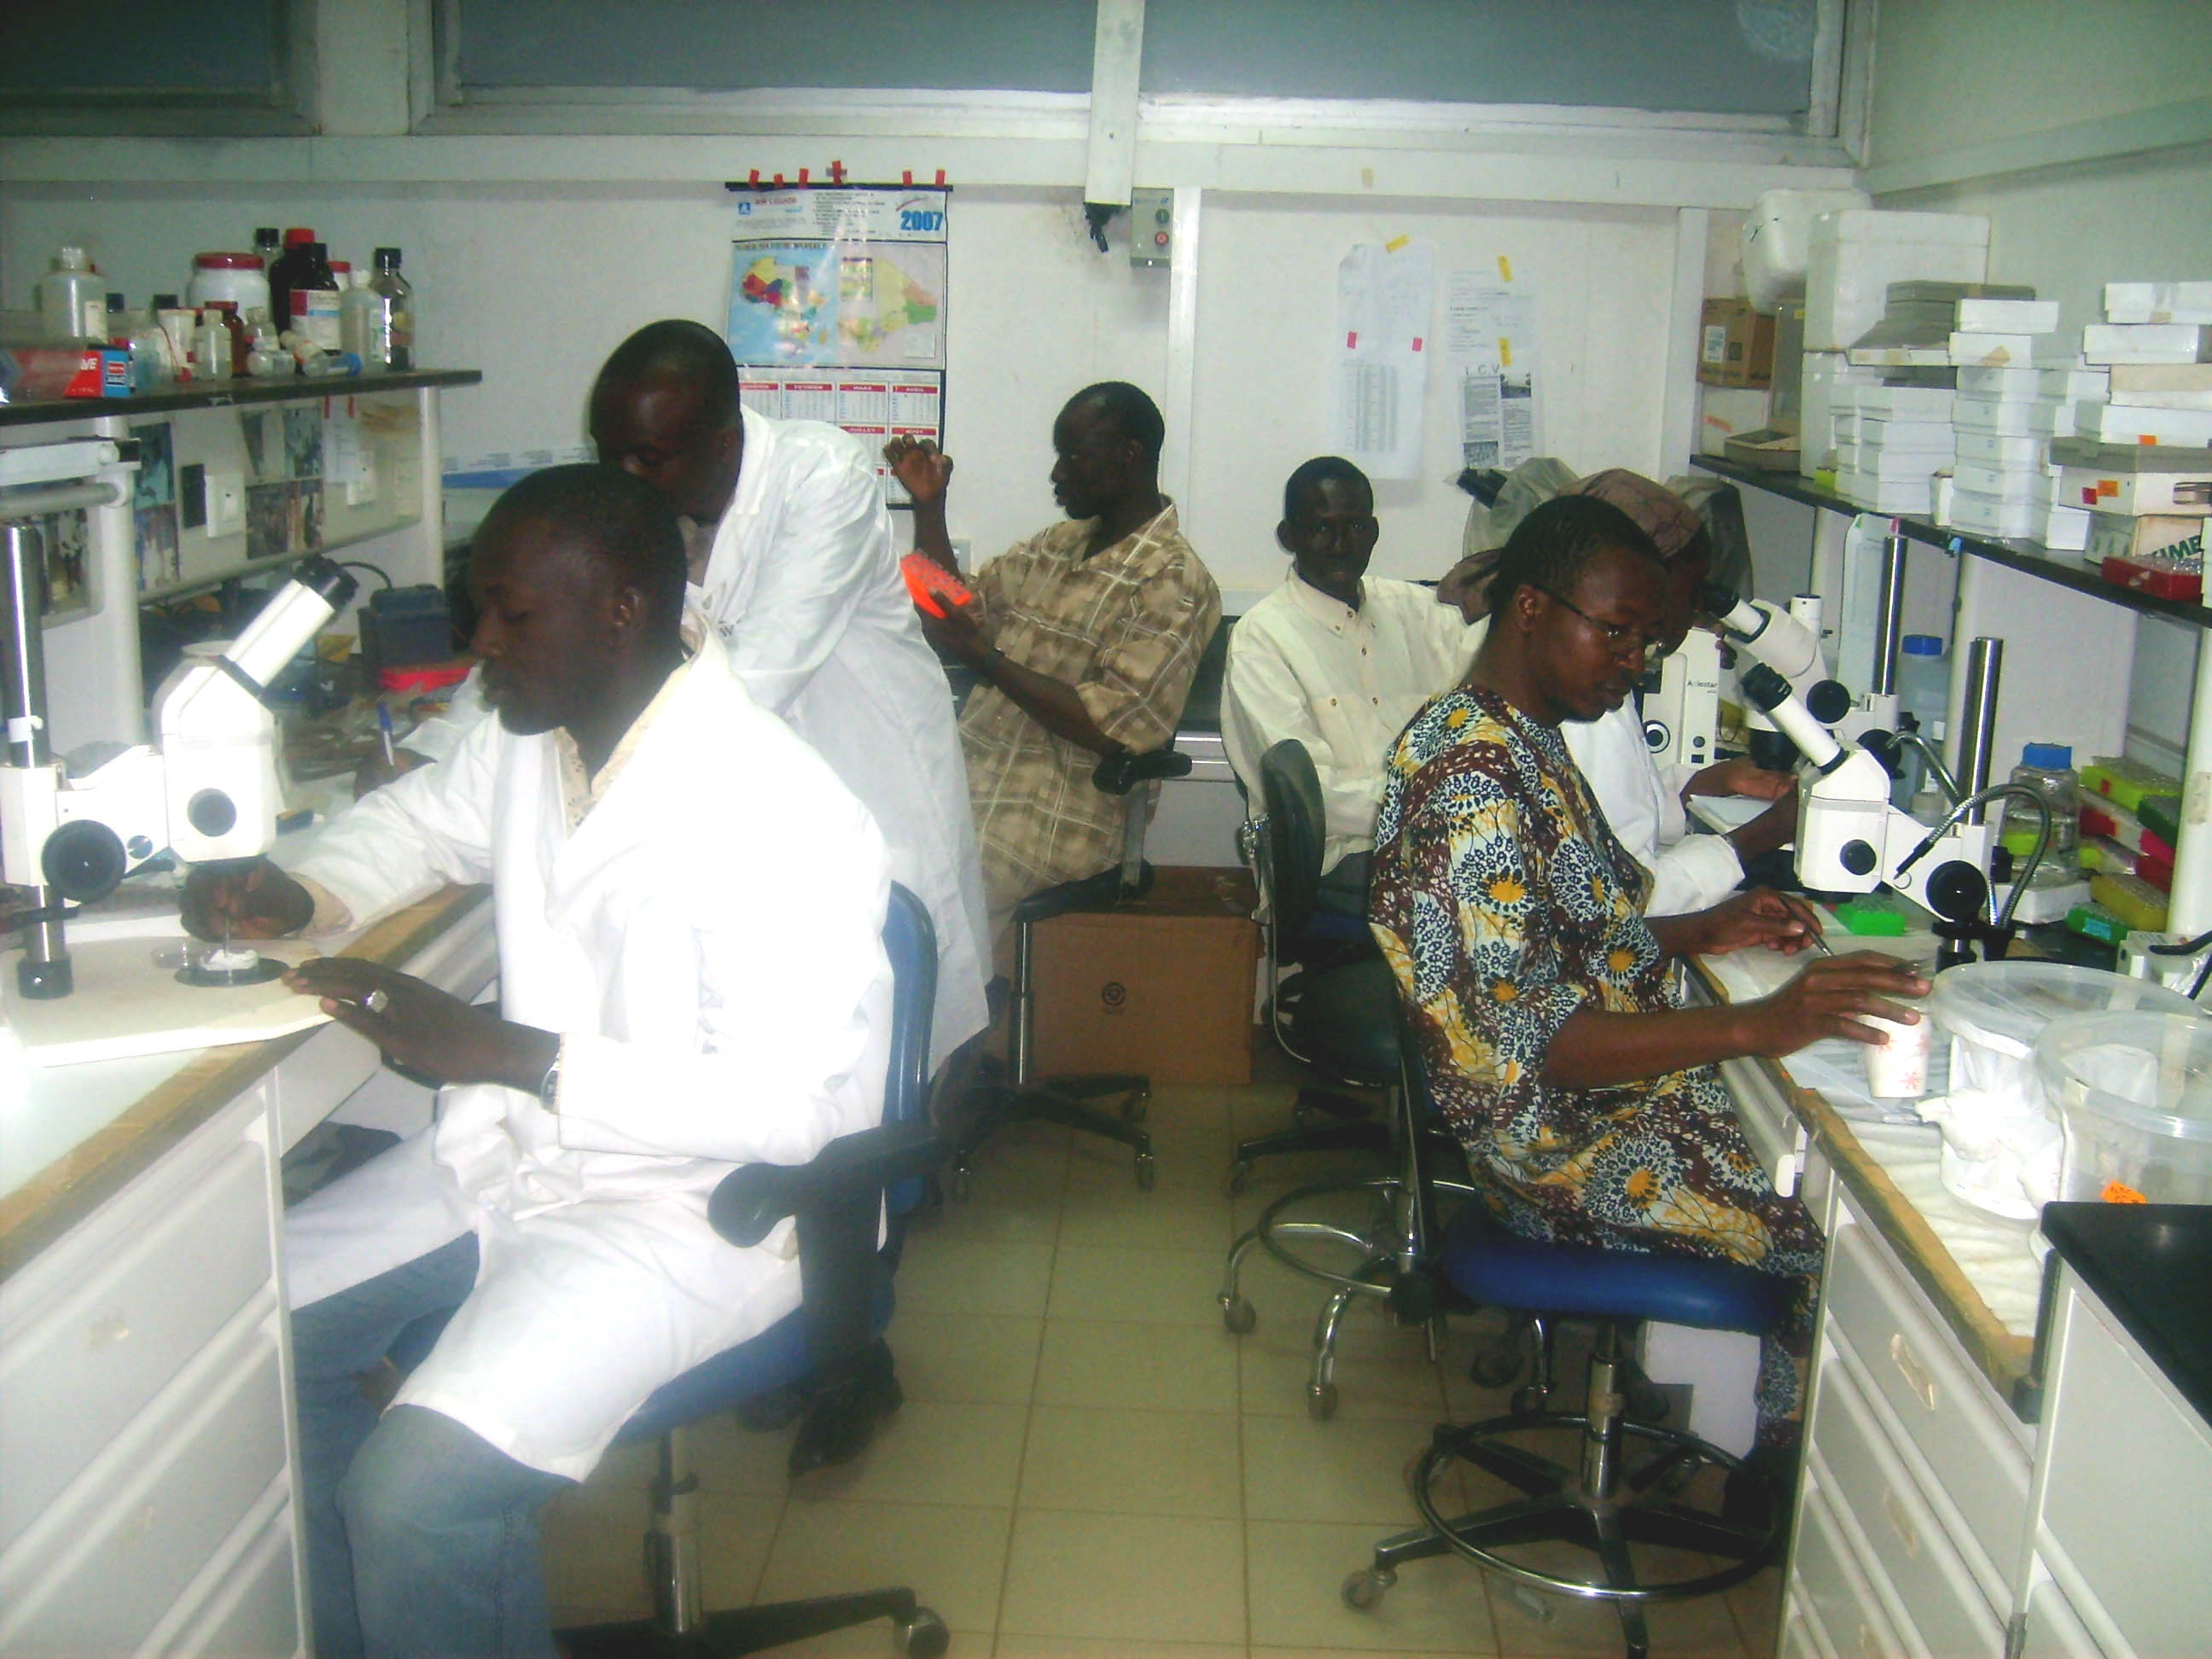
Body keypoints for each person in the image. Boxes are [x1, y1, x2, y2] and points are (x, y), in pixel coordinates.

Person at [183, 466, 896, 1659]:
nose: (479, 644)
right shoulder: (537, 731)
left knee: (413, 1502)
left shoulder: (783, 807)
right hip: (507, 1156)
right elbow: (415, 823)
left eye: (511, 616)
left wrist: (515, 1056)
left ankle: (431, 1576)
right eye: (480, 610)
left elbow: (807, 1110)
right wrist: (301, 891)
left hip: (690, 1212)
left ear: (619, 610)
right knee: (245, 1345)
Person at [1368, 494, 1927, 1459]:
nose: (1633, 668)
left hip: (1603, 1096)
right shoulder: (1474, 784)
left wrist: (1705, 927)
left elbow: (1574, 932)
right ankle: (1778, 1480)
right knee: (1842, 1241)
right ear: (1534, 609)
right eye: (1616, 636)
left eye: (1645, 644)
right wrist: (1761, 1025)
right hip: (1554, 1142)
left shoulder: (1515, 736)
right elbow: (1543, 1046)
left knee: (1837, 1155)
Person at [887, 383, 1220, 940]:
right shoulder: (1056, 545)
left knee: (930, 894)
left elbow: (1115, 729)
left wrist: (986, 661)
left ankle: (954, 1021)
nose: (1058, 475)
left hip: (1064, 813)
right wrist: (929, 507)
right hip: (971, 775)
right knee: (866, 856)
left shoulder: (1173, 579)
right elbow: (952, 603)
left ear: (1129, 456)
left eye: (1074, 456)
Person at [1221, 456, 1478, 908]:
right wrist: (1436, 811)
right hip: (1334, 858)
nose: (1341, 545)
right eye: (1322, 528)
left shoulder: (1417, 612)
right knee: (1480, 895)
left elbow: (1490, 691)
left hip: (1436, 837)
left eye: (1357, 528)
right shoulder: (1262, 639)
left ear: (1374, 532)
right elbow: (1312, 798)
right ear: (1289, 537)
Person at [1558, 469, 1797, 916]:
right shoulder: (1586, 708)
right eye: (1690, 596)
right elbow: (1628, 902)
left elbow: (1618, 810)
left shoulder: (1594, 675)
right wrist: (1770, 831)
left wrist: (1705, 785)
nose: (1691, 617)